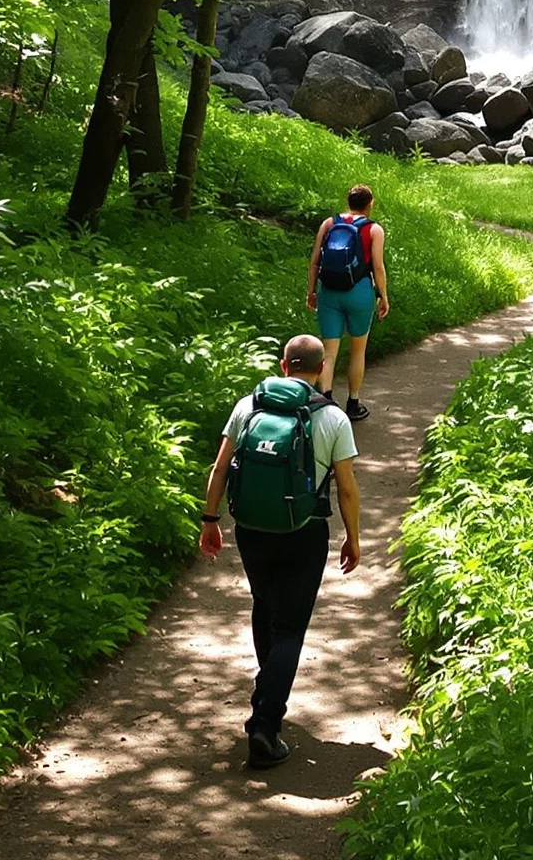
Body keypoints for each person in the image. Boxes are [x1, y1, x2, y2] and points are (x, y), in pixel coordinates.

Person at [198, 335, 361, 768]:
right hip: (305, 532)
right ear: (322, 366)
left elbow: (220, 466)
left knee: (264, 605)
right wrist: (353, 537)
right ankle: (265, 725)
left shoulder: (248, 406)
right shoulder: (332, 419)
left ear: (282, 365)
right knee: (290, 627)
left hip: (251, 529)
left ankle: (266, 688)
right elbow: (346, 488)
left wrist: (210, 520)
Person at [306, 182, 388, 421]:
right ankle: (353, 404)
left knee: (329, 352)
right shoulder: (374, 230)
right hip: (360, 292)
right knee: (357, 351)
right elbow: (378, 267)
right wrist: (383, 296)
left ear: (348, 202)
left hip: (329, 291)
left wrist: (311, 291)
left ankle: (325, 403)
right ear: (369, 204)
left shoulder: (329, 224)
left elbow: (314, 262)